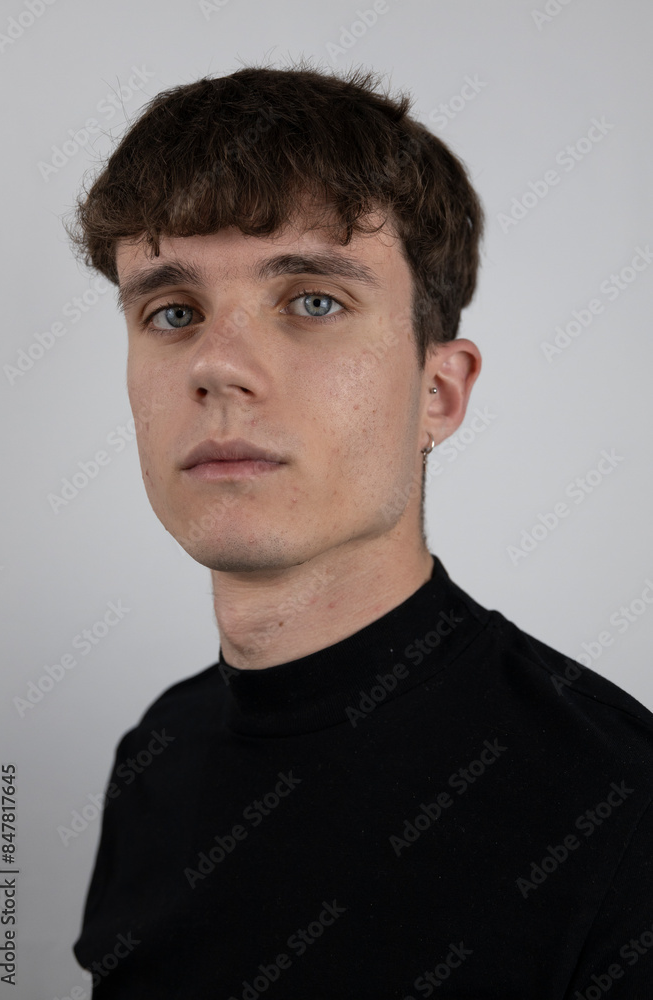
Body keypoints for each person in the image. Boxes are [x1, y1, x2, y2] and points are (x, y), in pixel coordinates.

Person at [67, 60, 653, 999]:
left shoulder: (620, 807)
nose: (218, 365)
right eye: (173, 312)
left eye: (313, 301)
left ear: (438, 392)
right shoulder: (155, 754)